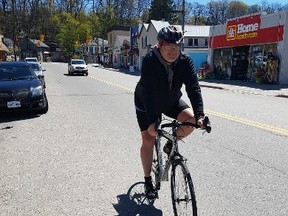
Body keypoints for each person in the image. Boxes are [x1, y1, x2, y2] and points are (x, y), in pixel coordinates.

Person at [134, 25, 207, 198]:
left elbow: (193, 88)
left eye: (177, 47)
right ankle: (148, 181)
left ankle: (170, 145)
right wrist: (153, 121)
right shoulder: (150, 60)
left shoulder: (185, 61)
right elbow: (150, 93)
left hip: (170, 101)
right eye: (169, 47)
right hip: (146, 102)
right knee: (148, 139)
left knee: (192, 122)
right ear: (160, 45)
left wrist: (200, 115)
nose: (173, 51)